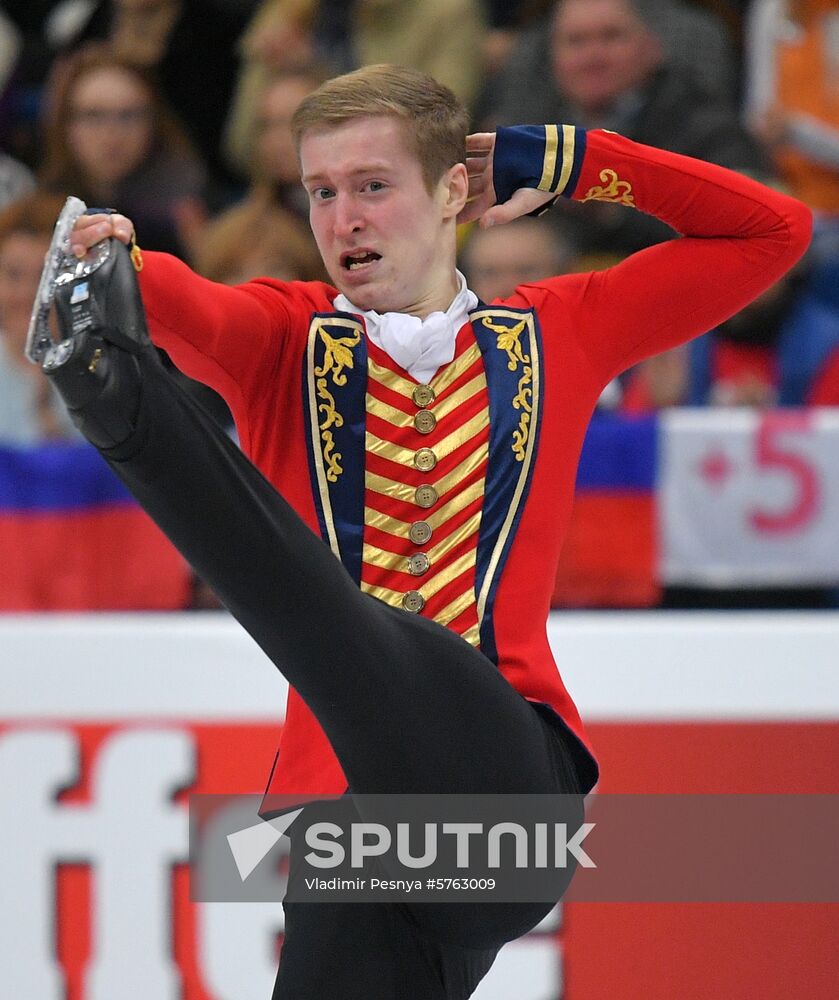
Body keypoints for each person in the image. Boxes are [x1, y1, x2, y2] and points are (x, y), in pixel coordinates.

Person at [41, 64, 811, 999]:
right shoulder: (283, 336)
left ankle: (117, 407)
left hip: (503, 798)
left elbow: (774, 230)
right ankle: (114, 384)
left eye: (371, 185)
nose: (342, 219)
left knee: (322, 608)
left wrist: (567, 160)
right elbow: (164, 291)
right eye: (320, 192)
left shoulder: (563, 330)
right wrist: (105, 254)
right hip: (352, 837)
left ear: (453, 190)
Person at [488, 0, 772, 258]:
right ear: (553, 57)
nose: (592, 57)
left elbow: (745, 228)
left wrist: (610, 211)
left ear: (653, 46)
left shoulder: (705, 126)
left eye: (611, 37)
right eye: (575, 42)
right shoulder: (528, 126)